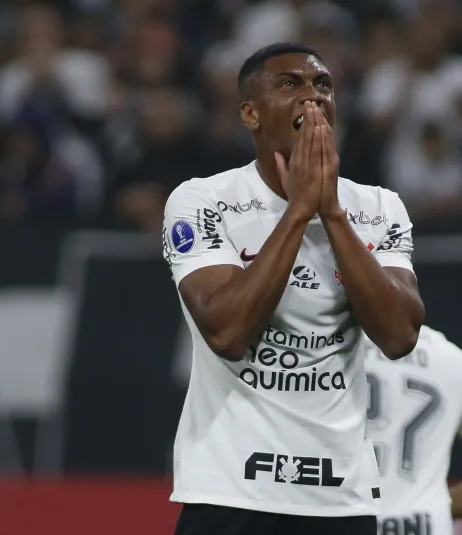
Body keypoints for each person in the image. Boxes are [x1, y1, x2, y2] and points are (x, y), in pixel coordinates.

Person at [161, 42, 425, 535]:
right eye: (290, 84)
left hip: (340, 501)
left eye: (323, 85)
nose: (313, 96)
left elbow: (399, 336)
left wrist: (331, 213)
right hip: (229, 493)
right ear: (251, 114)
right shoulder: (203, 200)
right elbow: (227, 333)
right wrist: (299, 211)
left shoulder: (379, 208)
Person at [365, 326, 462, 535]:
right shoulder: (453, 359)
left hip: (342, 523)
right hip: (425, 526)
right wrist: (438, 507)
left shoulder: (324, 351)